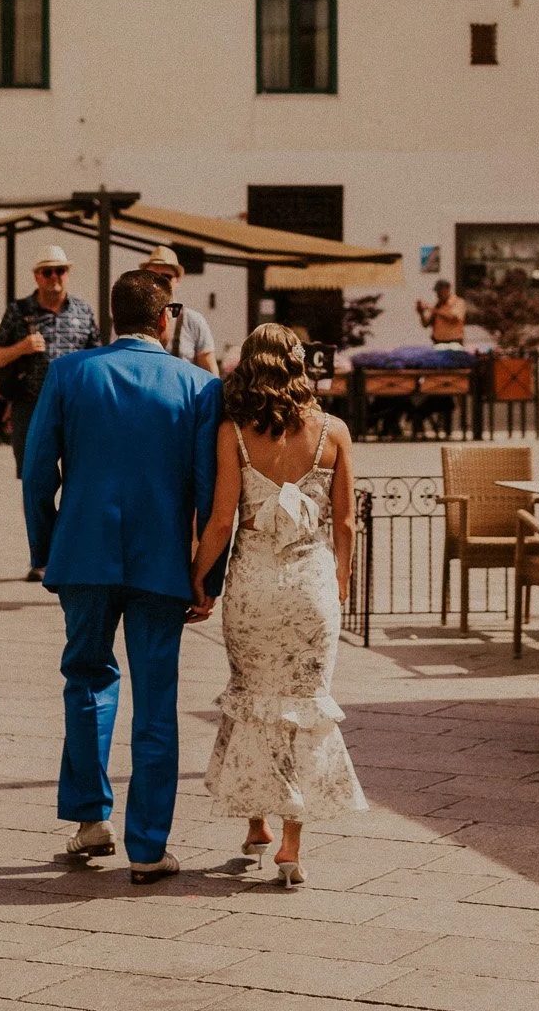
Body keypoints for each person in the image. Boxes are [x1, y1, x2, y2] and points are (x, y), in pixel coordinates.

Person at [21, 267, 225, 883]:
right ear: (167, 319)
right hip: (162, 563)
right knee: (157, 702)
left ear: (113, 319)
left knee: (85, 678)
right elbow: (211, 493)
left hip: (83, 555)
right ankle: (148, 847)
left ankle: (89, 819)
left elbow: (36, 475)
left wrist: (46, 550)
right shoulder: (198, 386)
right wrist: (206, 578)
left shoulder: (68, 373)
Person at [192, 323, 366, 887]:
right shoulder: (333, 431)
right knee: (304, 705)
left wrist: (199, 580)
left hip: (253, 587)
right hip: (310, 586)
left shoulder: (233, 432)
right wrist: (340, 581)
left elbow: (221, 521)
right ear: (298, 364)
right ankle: (292, 845)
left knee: (254, 699)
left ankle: (256, 824)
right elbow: (343, 521)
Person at [0, 244, 98, 490]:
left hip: (73, 406)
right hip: (30, 405)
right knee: (34, 478)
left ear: (67, 273)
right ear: (36, 275)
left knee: (78, 475)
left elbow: (95, 360)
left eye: (59, 271)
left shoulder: (83, 311)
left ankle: (68, 527)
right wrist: (21, 348)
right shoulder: (19, 310)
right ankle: (39, 529)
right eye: (47, 272)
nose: (54, 277)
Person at [141, 245, 218, 373]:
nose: (159, 282)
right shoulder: (131, 317)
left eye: (166, 277)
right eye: (152, 276)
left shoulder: (194, 321)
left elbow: (211, 374)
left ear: (177, 280)